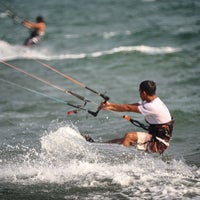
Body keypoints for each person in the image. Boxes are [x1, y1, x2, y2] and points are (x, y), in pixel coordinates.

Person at [99, 80, 174, 154]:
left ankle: (121, 161)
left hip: (159, 143)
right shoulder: (151, 101)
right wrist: (110, 105)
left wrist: (109, 106)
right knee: (122, 140)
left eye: (139, 92)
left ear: (144, 93)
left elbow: (128, 108)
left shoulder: (152, 106)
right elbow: (129, 106)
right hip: (155, 137)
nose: (139, 94)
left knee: (129, 136)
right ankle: (100, 145)